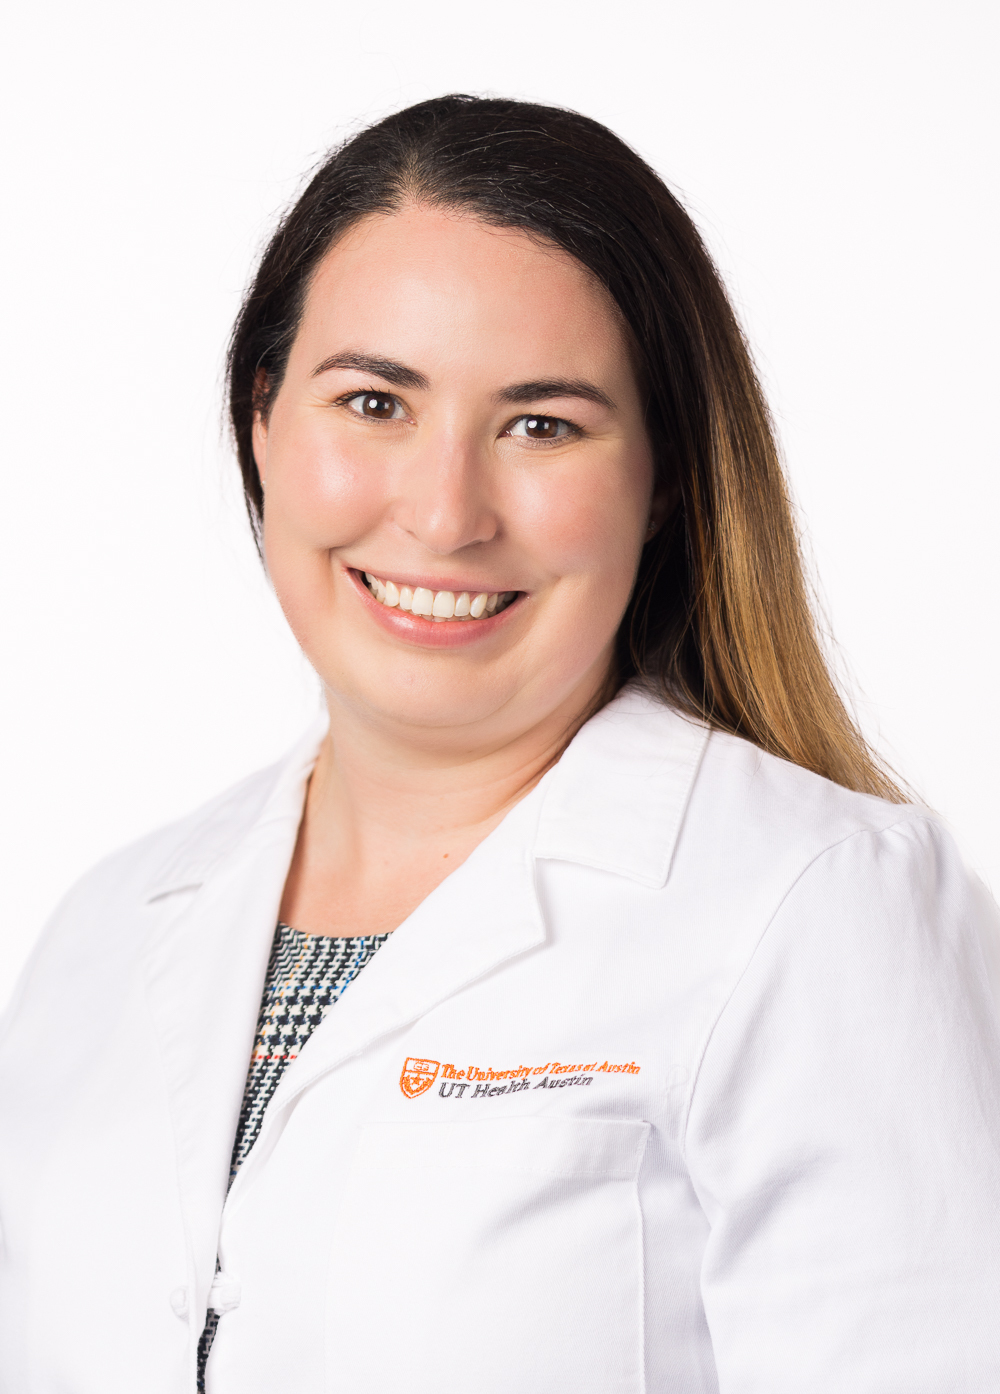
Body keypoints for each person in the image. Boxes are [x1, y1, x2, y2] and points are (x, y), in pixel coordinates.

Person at [1, 94, 998, 1394]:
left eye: (542, 423)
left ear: (666, 482)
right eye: (373, 402)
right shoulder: (107, 927)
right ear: (264, 419)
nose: (444, 512)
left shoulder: (819, 906)